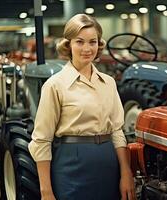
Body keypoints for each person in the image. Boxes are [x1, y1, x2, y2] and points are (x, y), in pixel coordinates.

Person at [28, 14, 135, 200]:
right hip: (71, 168)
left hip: (109, 166)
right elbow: (42, 141)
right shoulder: (55, 85)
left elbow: (117, 131)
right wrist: (46, 192)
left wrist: (126, 174)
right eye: (80, 42)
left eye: (92, 42)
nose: (87, 48)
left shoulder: (108, 83)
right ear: (68, 44)